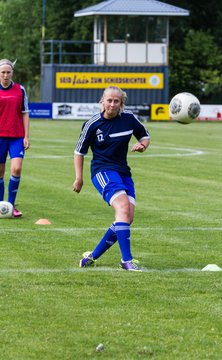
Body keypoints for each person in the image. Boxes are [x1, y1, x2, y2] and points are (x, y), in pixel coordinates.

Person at [73, 86, 150, 271]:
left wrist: (142, 145)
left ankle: (91, 257)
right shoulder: (92, 124)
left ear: (121, 103)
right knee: (122, 207)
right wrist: (79, 178)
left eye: (116, 101)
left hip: (123, 172)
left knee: (127, 217)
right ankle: (126, 261)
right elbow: (79, 152)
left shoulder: (129, 119)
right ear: (102, 101)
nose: (112, 104)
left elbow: (145, 135)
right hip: (102, 171)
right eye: (109, 100)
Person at [0, 59, 30, 217]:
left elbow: (25, 113)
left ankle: (11, 206)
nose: (5, 75)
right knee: (0, 172)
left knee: (16, 168)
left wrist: (26, 136)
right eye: (3, 72)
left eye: (8, 72)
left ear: (12, 73)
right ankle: (0, 206)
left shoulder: (20, 89)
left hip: (16, 136)